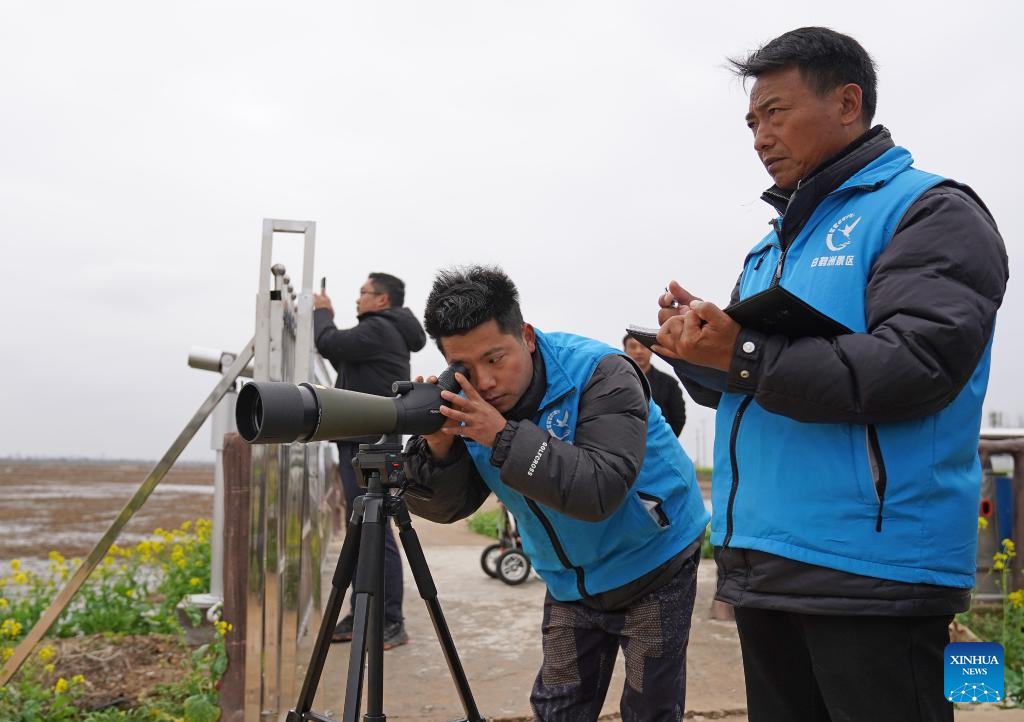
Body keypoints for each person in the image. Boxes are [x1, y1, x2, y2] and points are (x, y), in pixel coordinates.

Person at [652, 27, 1008, 721]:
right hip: (768, 561)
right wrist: (700, 353)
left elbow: (918, 364)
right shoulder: (773, 245)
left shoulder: (929, 210)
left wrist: (745, 353)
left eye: (776, 112)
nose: (759, 136)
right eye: (752, 120)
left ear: (848, 103)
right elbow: (754, 385)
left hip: (874, 569)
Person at [402, 265, 709, 722]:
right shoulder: (466, 401)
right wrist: (439, 447)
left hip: (653, 563)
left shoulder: (601, 372)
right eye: (464, 367)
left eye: (495, 358)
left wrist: (501, 436)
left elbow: (598, 491)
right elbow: (446, 508)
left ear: (525, 336)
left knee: (649, 706)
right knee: (558, 707)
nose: (484, 382)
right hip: (571, 582)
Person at [314, 272, 426, 649]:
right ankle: (362, 613)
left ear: (382, 300)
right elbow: (337, 350)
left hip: (370, 442)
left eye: (363, 293)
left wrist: (322, 312)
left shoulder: (379, 328)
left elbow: (329, 340)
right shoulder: (383, 330)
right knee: (362, 526)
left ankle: (391, 619)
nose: (357, 299)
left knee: (378, 528)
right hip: (364, 438)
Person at [622, 334, 686, 436]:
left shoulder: (669, 383)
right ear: (624, 350)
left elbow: (678, 418)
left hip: (660, 444)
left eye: (643, 346)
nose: (639, 351)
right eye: (633, 347)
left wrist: (664, 441)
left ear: (651, 351)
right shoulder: (615, 381)